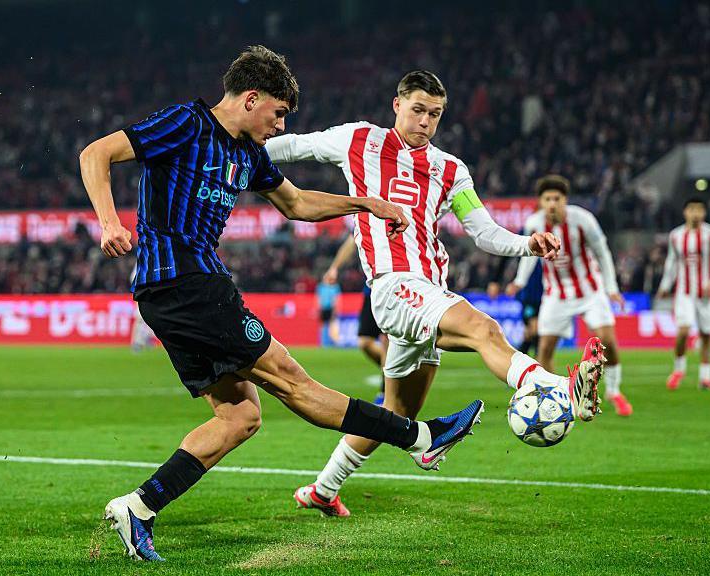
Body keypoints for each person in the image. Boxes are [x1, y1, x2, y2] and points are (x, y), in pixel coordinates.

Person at [79, 47, 484, 562]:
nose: (280, 124)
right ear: (252, 99)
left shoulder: (247, 154)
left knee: (240, 416)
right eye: (279, 112)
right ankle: (420, 436)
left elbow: (296, 204)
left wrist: (363, 203)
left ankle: (138, 507)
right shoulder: (187, 123)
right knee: (291, 379)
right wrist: (110, 222)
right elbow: (95, 153)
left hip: (179, 294)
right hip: (186, 282)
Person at [266, 70, 604, 517]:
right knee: (483, 328)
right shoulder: (360, 140)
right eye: (418, 110)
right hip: (393, 285)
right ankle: (559, 388)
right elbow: (292, 147)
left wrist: (526, 244)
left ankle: (322, 490)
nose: (426, 121)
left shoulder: (450, 169)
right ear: (397, 106)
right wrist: (231, 145)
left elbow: (482, 231)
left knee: (395, 413)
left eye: (436, 114)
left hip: (427, 289)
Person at [513, 175, 632, 417]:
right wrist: (519, 281)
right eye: (547, 199)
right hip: (556, 294)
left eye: (557, 198)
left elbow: (602, 253)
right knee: (544, 349)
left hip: (590, 290)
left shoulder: (583, 220)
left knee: (607, 340)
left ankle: (614, 391)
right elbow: (528, 257)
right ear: (541, 202)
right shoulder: (534, 223)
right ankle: (551, 396)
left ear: (565, 200)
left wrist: (611, 288)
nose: (552, 203)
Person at [657, 198, 710, 391]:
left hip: (706, 295)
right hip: (684, 292)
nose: (696, 213)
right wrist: (665, 285)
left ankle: (705, 378)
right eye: (692, 209)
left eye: (700, 209)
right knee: (683, 330)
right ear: (685, 212)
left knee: (706, 335)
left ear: (704, 213)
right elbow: (672, 263)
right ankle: (678, 370)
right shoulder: (676, 235)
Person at [324, 234, 388, 399]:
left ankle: (385, 394)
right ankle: (397, 372)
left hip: (393, 285)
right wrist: (335, 268)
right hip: (372, 288)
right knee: (365, 342)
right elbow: (352, 240)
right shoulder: (366, 213)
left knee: (387, 341)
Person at [316, 273, 341, 346]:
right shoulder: (321, 287)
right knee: (323, 326)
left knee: (332, 325)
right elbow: (319, 298)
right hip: (323, 308)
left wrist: (336, 309)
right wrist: (318, 308)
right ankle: (323, 343)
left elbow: (336, 299)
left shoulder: (335, 287)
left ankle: (334, 342)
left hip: (331, 308)